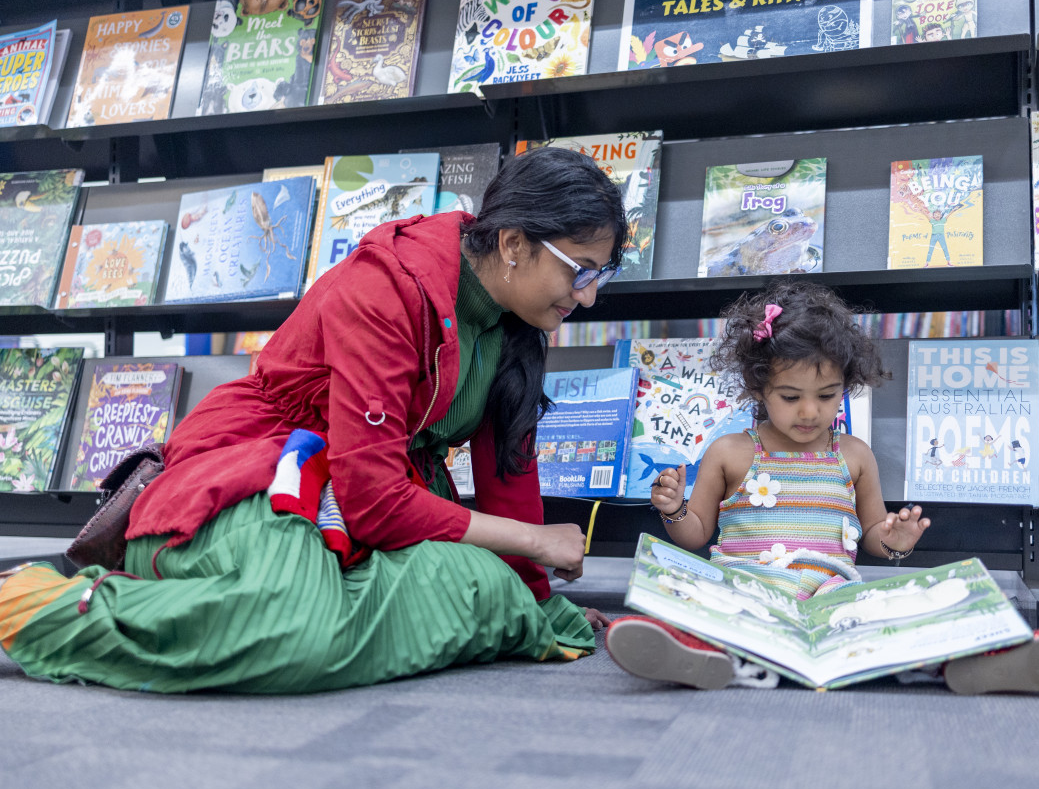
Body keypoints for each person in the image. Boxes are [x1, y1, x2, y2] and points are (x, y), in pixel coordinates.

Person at [0, 147, 626, 693]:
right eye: (580, 271)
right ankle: (43, 605)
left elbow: (505, 479)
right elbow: (377, 500)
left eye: (601, 274)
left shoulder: (519, 320)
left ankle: (280, 613)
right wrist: (533, 544)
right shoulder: (389, 285)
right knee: (290, 622)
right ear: (513, 244)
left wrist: (535, 600)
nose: (589, 295)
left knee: (487, 591)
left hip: (359, 502)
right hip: (262, 475)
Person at [605, 282, 1039, 694]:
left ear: (847, 385)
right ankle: (691, 653)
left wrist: (895, 540)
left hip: (834, 601)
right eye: (790, 397)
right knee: (688, 597)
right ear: (758, 389)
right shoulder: (730, 452)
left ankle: (977, 659)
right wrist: (673, 510)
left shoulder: (854, 455)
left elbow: (875, 537)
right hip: (746, 596)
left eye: (827, 395)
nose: (810, 412)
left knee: (917, 606)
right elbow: (697, 536)